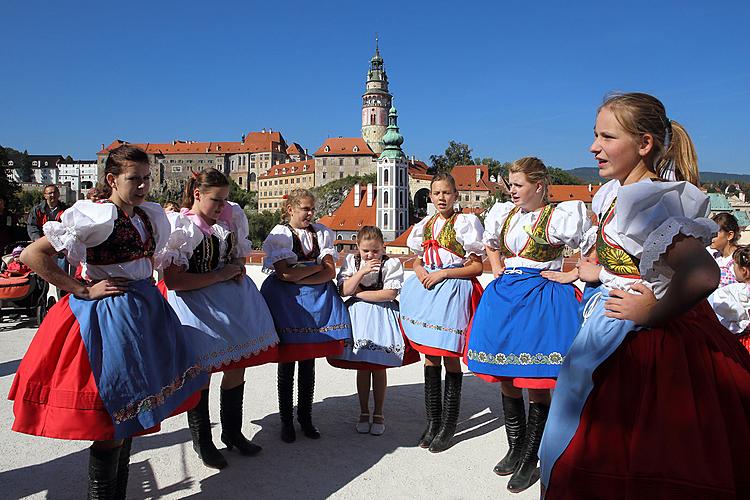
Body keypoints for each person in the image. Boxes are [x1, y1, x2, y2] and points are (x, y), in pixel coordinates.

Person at [539, 92, 750, 499]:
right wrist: (596, 272)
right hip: (613, 323)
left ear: (644, 144)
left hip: (644, 339)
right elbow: (635, 263)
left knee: (626, 448)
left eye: (606, 137)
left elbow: (703, 273)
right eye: (595, 135)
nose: (593, 146)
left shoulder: (647, 201)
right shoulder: (616, 195)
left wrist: (652, 312)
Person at [8, 144, 209, 499]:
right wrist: (80, 289)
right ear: (112, 179)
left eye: (147, 178)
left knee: (132, 413)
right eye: (135, 179)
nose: (144, 186)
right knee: (112, 414)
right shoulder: (95, 216)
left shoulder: (148, 215)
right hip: (110, 318)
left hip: (145, 312)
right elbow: (32, 255)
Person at [464, 157, 592, 492]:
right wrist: (497, 268)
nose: (512, 190)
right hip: (506, 297)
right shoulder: (504, 215)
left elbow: (593, 249)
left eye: (518, 185)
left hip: (541, 299)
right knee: (506, 376)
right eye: (511, 184)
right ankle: (515, 447)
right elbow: (491, 245)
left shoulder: (557, 217)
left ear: (538, 186)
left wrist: (571, 273)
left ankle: (529, 457)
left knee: (534, 380)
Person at [161, 168, 279, 469]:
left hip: (228, 301)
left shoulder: (229, 219)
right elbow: (174, 281)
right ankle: (203, 441)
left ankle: (232, 432)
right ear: (197, 194)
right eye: (216, 200)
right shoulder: (182, 228)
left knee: (237, 366)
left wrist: (236, 268)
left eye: (225, 199)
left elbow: (237, 255)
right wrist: (220, 274)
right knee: (203, 373)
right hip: (195, 304)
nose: (222, 206)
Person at [399, 173, 485, 453]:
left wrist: (445, 273)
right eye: (436, 193)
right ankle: (433, 421)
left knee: (449, 356)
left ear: (455, 195)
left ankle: (448, 425)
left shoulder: (464, 223)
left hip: (453, 291)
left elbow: (476, 267)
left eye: (446, 193)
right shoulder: (426, 225)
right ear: (430, 196)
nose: (441, 198)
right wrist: (421, 270)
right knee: (430, 357)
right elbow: (419, 259)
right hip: (428, 292)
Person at [260, 189, 352, 443]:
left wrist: (301, 274)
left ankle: (306, 417)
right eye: (305, 209)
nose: (310, 214)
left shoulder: (321, 232)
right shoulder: (280, 234)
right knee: (287, 361)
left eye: (312, 209)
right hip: (287, 302)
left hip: (315, 301)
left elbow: (329, 273)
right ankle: (286, 421)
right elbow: (283, 274)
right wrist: (313, 272)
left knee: (309, 361)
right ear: (291, 209)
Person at [328, 225, 418, 436]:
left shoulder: (391, 263)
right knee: (362, 364)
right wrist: (361, 272)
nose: (370, 255)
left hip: (381, 316)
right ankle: (363, 411)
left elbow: (388, 294)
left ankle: (378, 412)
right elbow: (343, 290)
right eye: (366, 250)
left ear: (383, 248)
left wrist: (359, 294)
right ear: (358, 247)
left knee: (378, 365)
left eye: (375, 251)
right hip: (358, 317)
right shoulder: (352, 262)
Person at [708, 245, 750, 353]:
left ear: (744, 271)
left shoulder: (733, 291)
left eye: (734, 266)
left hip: (742, 343)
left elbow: (718, 309)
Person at [708, 212, 741, 286]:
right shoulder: (713, 255)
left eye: (714, 234)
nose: (710, 237)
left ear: (729, 235)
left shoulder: (739, 260)